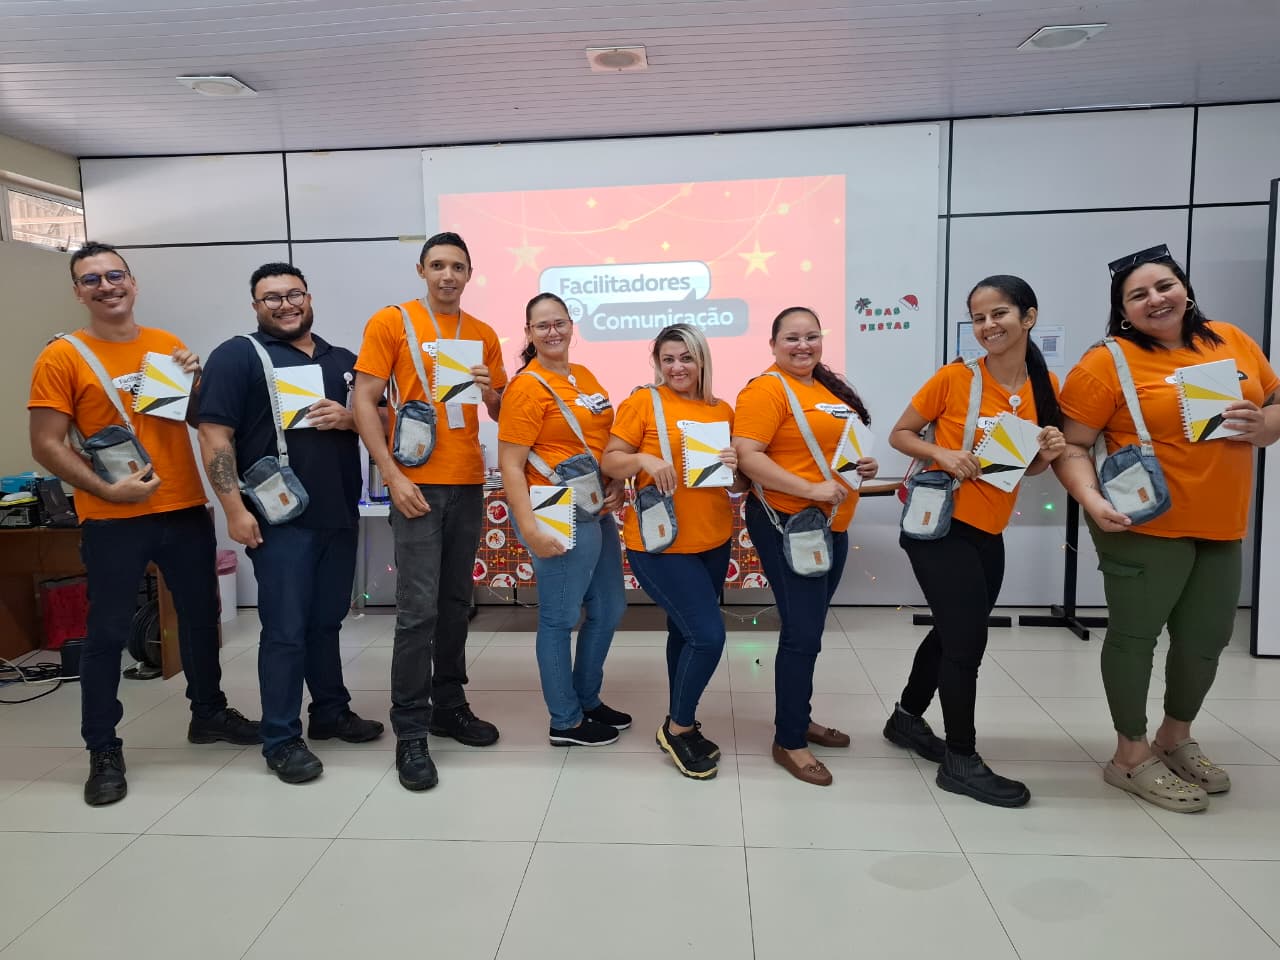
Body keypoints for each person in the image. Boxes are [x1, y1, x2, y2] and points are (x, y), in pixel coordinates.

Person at [28, 241, 260, 807]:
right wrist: (107, 489)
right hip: (113, 516)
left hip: (182, 507)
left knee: (201, 619)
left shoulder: (164, 345)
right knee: (107, 633)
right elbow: (46, 444)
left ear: (132, 283)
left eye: (115, 275)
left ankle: (207, 714)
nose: (106, 286)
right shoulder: (62, 357)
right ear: (77, 292)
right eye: (92, 279)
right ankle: (103, 747)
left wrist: (196, 381)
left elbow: (197, 420)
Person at [1055, 245, 1280, 812]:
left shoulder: (1230, 339)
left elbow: (1275, 400)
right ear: (1123, 310)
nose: (1155, 299)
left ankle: (1174, 737)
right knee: (1135, 637)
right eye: (1138, 295)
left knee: (1207, 639)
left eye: (1165, 286)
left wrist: (1266, 425)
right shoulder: (1104, 363)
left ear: (1185, 289)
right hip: (1142, 523)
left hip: (1222, 522)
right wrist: (1090, 499)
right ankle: (1129, 755)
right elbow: (1072, 447)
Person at [196, 262, 384, 785]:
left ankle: (330, 712)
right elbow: (214, 436)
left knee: (326, 622)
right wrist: (234, 510)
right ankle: (280, 738)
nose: (285, 304)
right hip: (278, 521)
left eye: (293, 294)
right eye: (271, 297)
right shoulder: (237, 355)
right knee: (284, 631)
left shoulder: (343, 360)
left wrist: (351, 418)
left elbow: (384, 419)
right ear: (256, 306)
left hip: (339, 513)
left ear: (309, 297)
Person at [886, 276, 1065, 808]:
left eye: (999, 314)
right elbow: (901, 433)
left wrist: (1048, 452)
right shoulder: (955, 378)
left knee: (953, 630)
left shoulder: (1045, 384)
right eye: (979, 318)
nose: (988, 326)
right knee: (967, 643)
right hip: (939, 526)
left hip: (989, 528)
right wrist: (941, 454)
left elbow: (1028, 469)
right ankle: (960, 760)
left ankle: (906, 718)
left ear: (1028, 317)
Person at [352, 232, 506, 791]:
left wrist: (491, 392)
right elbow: (363, 399)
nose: (448, 275)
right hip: (415, 483)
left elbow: (500, 411)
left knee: (455, 604)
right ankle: (411, 731)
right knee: (417, 611)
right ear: (421, 270)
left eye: (457, 267)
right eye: (438, 265)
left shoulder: (482, 333)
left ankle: (449, 706)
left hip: (467, 482)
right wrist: (391, 476)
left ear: (469, 274)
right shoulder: (391, 322)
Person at [732, 307, 878, 786]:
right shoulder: (766, 390)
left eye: (811, 336)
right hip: (788, 525)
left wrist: (861, 466)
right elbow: (749, 457)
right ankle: (790, 740)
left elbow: (833, 449)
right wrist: (811, 489)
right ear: (773, 344)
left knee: (809, 628)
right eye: (792, 338)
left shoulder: (826, 389)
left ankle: (799, 717)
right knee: (802, 632)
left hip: (829, 525)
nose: (803, 346)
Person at [602, 323, 748, 779]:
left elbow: (738, 485)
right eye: (668, 359)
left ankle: (680, 718)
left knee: (684, 633)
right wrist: (643, 459)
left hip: (713, 539)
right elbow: (610, 459)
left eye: (686, 358)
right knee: (708, 636)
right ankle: (679, 727)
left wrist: (735, 468)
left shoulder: (721, 410)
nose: (677, 367)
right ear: (657, 364)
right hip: (660, 544)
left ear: (702, 360)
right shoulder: (643, 402)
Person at [498, 293, 629, 746]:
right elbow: (510, 464)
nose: (552, 332)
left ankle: (587, 699)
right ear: (529, 333)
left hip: (594, 504)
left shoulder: (584, 376)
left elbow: (605, 442)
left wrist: (616, 481)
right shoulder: (525, 387)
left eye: (559, 323)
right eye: (542, 326)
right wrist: (530, 528)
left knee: (610, 607)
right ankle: (565, 720)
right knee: (559, 617)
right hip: (554, 507)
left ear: (572, 325)